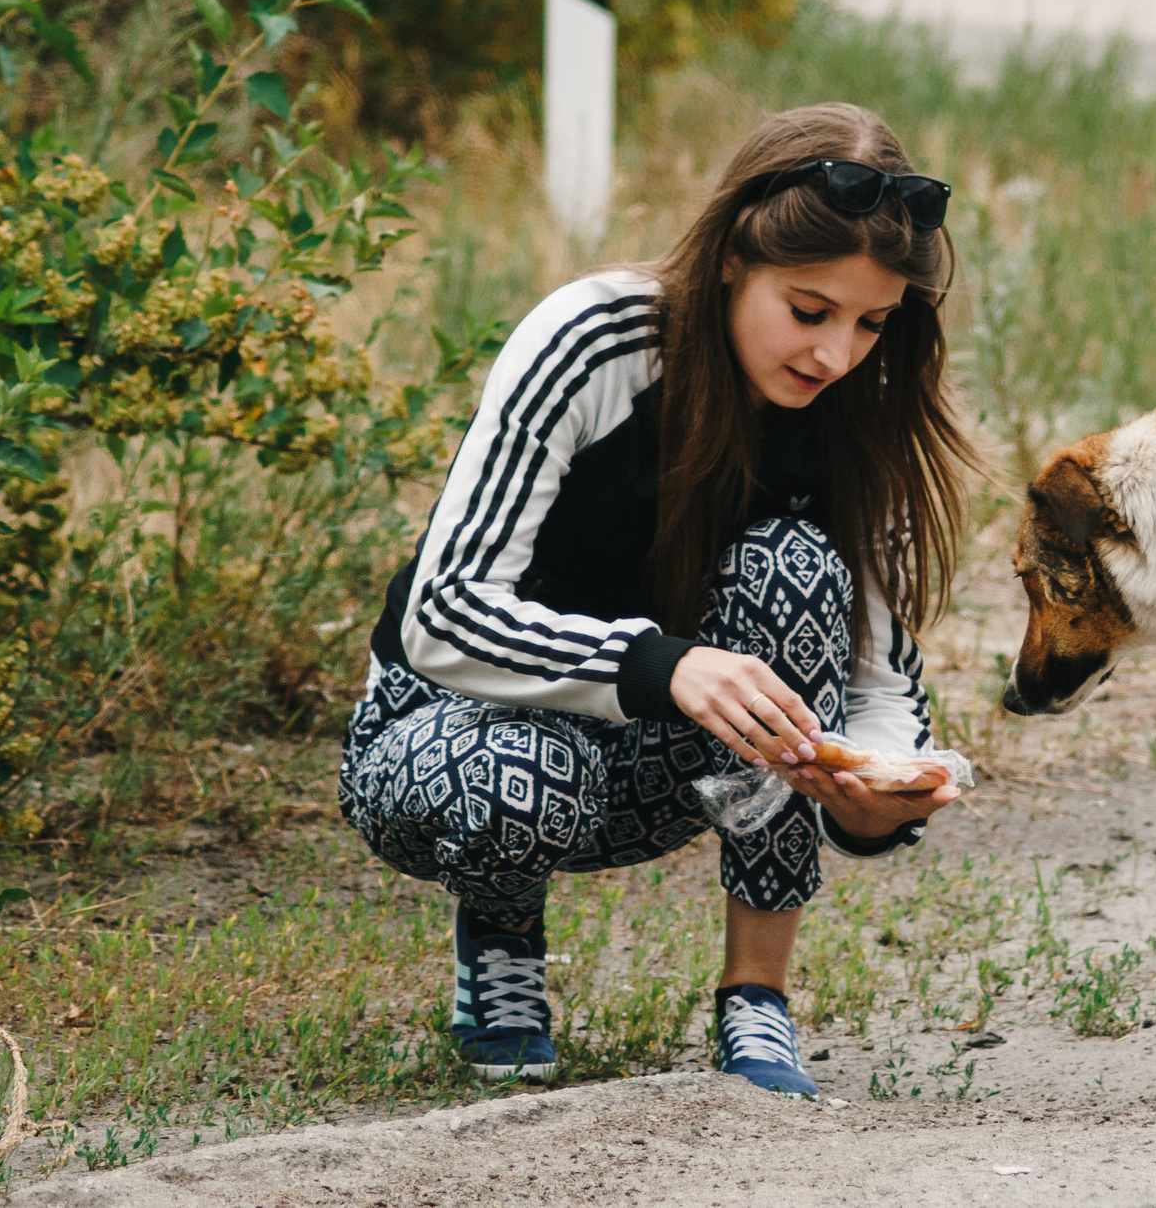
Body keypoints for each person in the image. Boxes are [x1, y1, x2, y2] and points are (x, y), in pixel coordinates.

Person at [337, 102, 974, 1095]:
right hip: (444, 731)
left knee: (794, 567)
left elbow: (880, 683)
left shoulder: (858, 407)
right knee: (517, 769)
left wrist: (878, 796)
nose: (836, 355)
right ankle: (501, 936)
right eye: (809, 311)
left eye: (871, 323)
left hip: (658, 759)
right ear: (732, 259)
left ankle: (756, 999)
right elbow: (443, 612)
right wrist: (661, 664)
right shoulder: (593, 337)